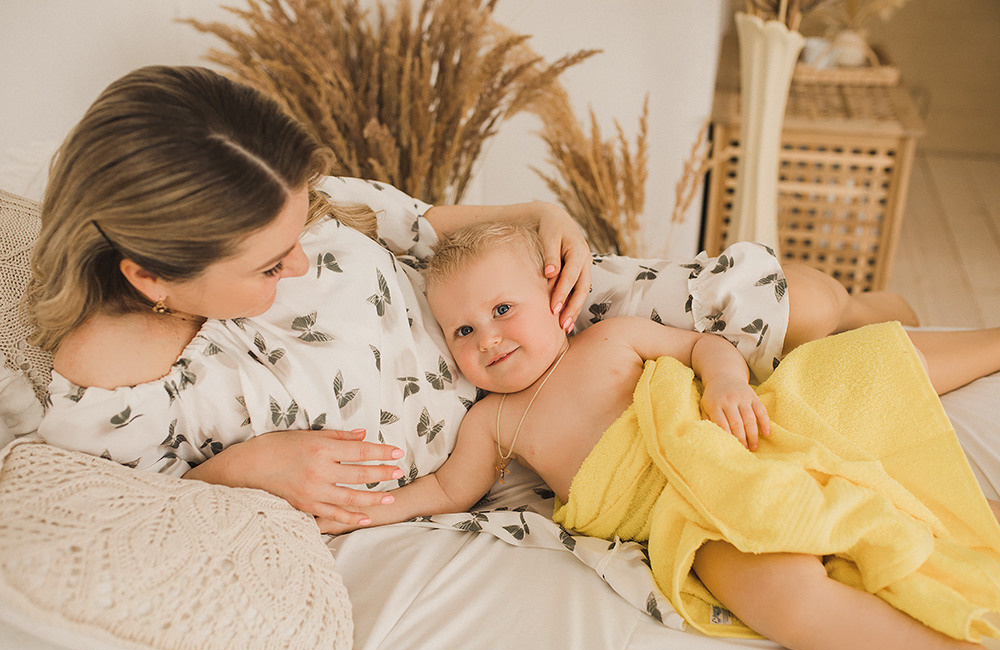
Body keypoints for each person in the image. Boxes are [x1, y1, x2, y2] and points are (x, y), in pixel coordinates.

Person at [30, 64, 935, 535]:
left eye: (305, 225)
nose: (302, 260)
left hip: (513, 308)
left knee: (788, 301)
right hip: (497, 427)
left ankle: (864, 309)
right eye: (271, 263)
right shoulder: (117, 397)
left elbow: (422, 223)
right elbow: (141, 502)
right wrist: (248, 464)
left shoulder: (281, 208)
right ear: (149, 277)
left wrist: (536, 213)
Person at [324, 221, 1000, 650]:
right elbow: (447, 489)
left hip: (737, 437)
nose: (487, 338)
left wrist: (728, 380)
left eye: (501, 310)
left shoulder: (609, 338)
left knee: (856, 370)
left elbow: (703, 344)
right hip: (683, 514)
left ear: (554, 295)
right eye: (461, 332)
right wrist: (374, 508)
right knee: (772, 594)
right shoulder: (493, 422)